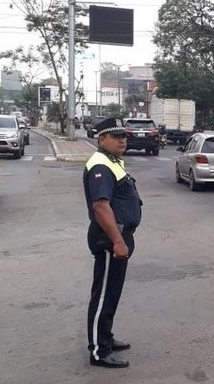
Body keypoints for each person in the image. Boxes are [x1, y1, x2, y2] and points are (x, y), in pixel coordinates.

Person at [83, 117, 142, 368]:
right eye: (115, 136)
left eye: (124, 136)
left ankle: (105, 337)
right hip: (109, 239)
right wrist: (118, 242)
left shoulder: (111, 161)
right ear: (101, 140)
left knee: (112, 293)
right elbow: (101, 206)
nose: (122, 140)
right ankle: (99, 351)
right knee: (104, 294)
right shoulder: (100, 166)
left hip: (118, 236)